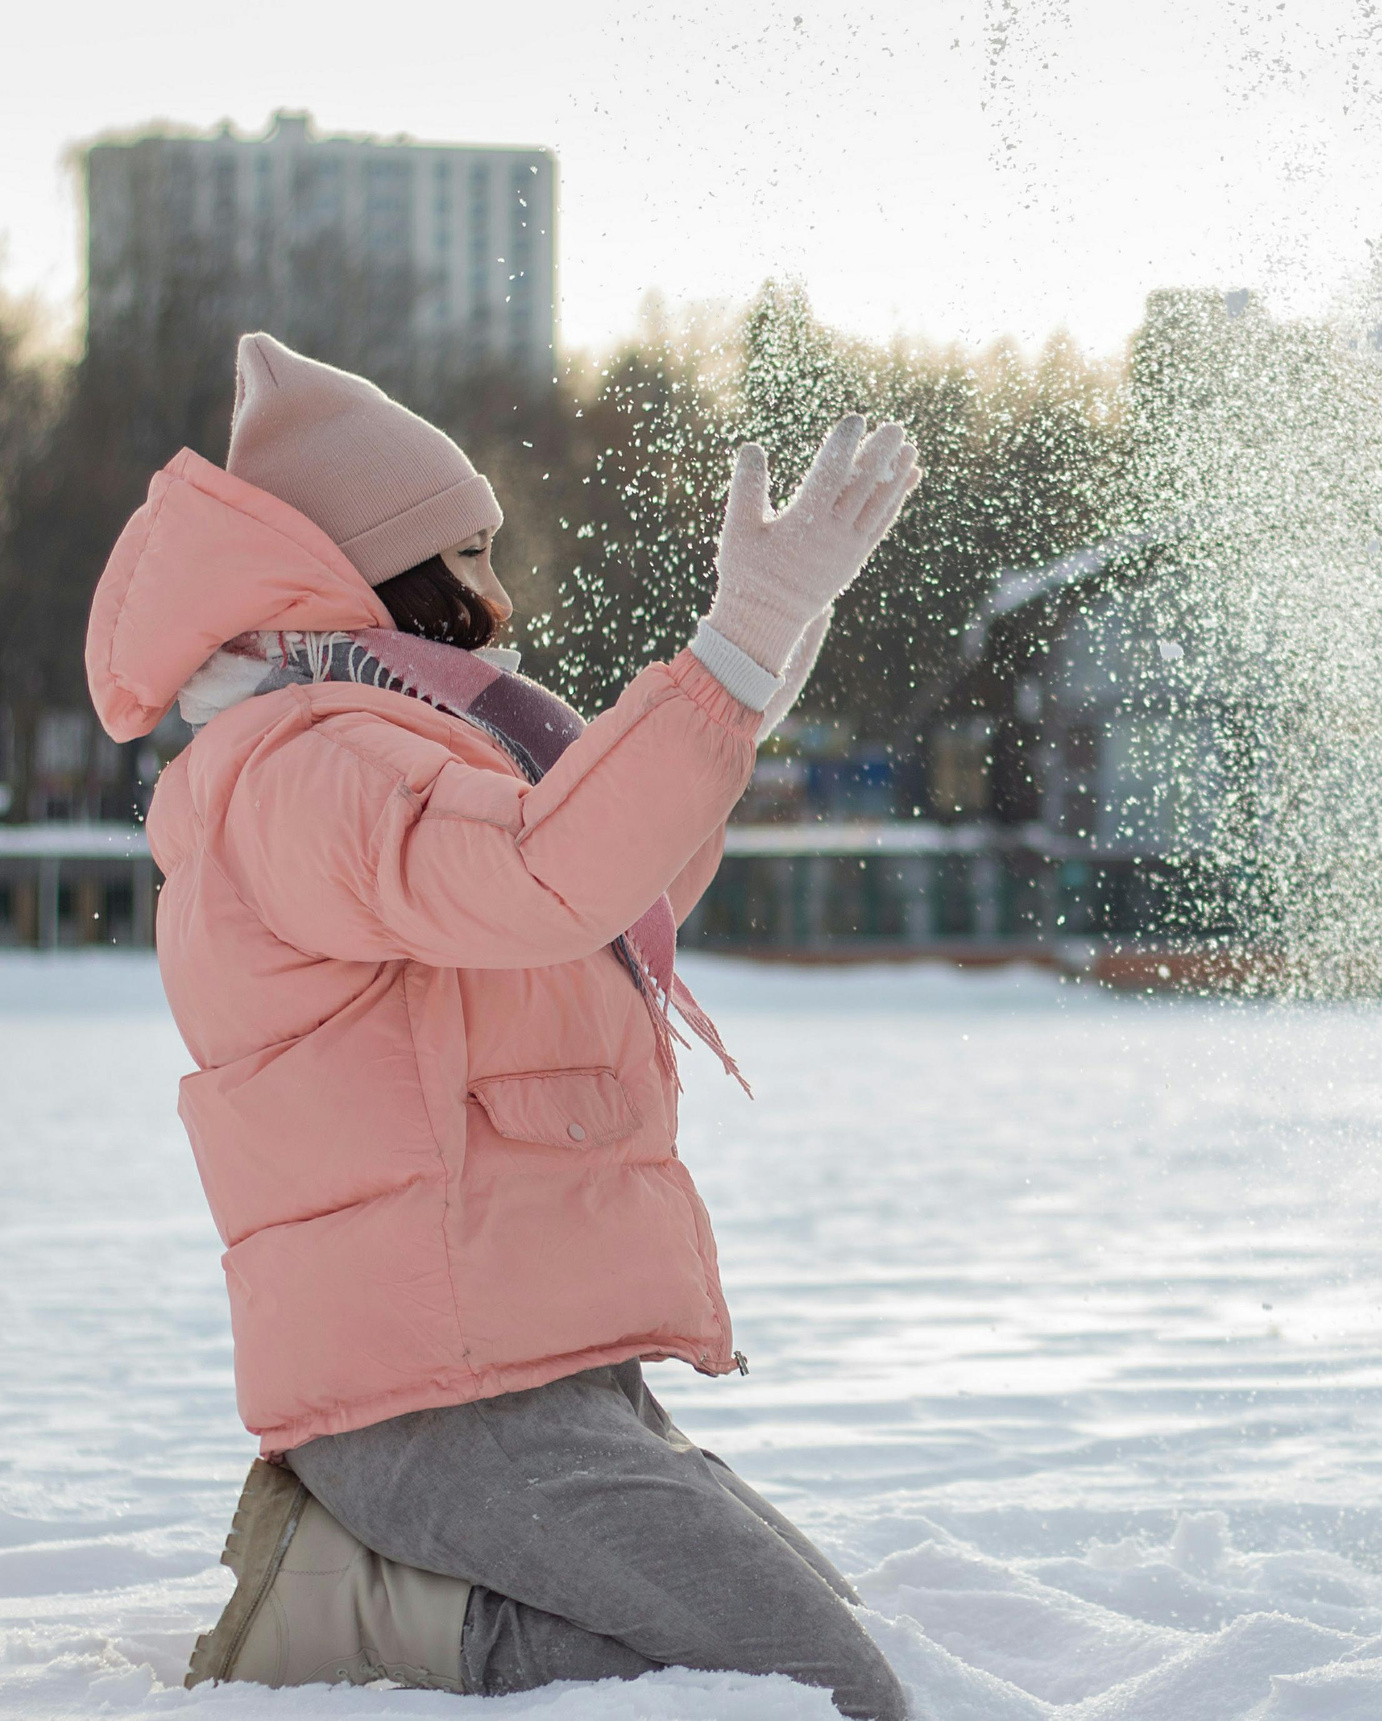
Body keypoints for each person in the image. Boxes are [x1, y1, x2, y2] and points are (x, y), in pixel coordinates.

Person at [84, 333, 920, 1717]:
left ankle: (407, 1590)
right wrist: (730, 650)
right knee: (820, 1693)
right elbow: (551, 873)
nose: (496, 592)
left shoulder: (395, 740)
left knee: (819, 1642)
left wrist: (755, 668)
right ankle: (359, 1602)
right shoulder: (298, 771)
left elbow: (620, 886)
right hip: (436, 1398)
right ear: (361, 572)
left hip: (532, 1361)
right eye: (464, 556)